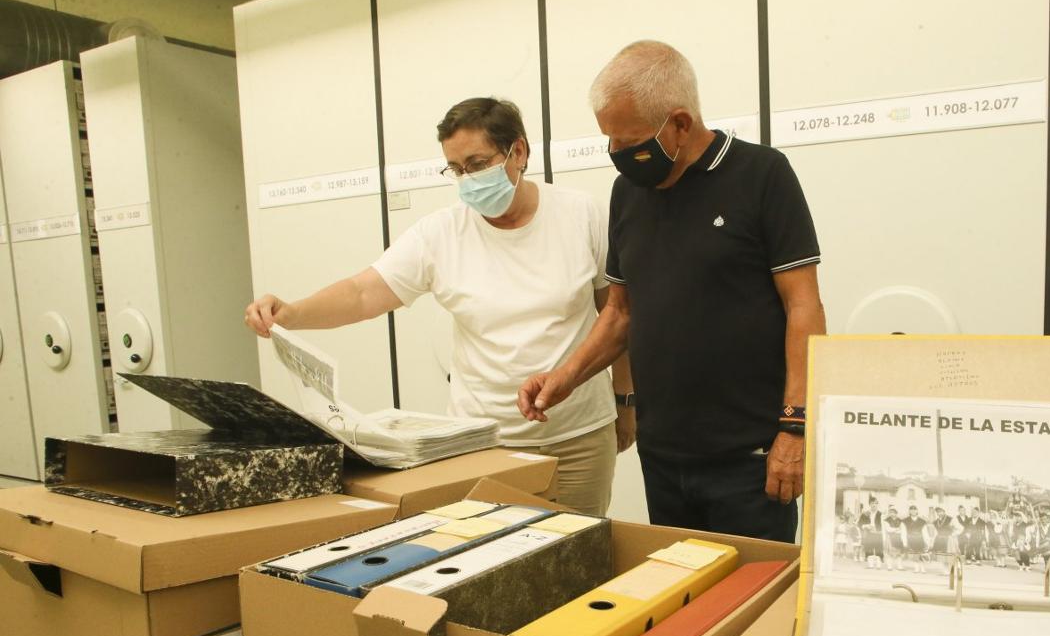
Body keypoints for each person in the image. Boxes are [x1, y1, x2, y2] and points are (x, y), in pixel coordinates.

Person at [244, 97, 633, 517]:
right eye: (456, 169)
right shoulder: (441, 234)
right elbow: (362, 293)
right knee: (494, 561)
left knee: (581, 556)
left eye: (478, 163)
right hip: (486, 442)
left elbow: (616, 318)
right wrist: (292, 313)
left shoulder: (581, 215)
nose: (467, 179)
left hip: (580, 437)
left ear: (517, 152)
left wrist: (626, 401)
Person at [517, 41, 825, 542]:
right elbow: (620, 313)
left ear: (680, 123)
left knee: (754, 610)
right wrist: (564, 378)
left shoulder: (762, 175)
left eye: (629, 140)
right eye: (608, 140)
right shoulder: (627, 194)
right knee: (682, 602)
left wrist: (795, 428)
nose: (618, 154)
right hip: (663, 456)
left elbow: (804, 306)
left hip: (751, 461)